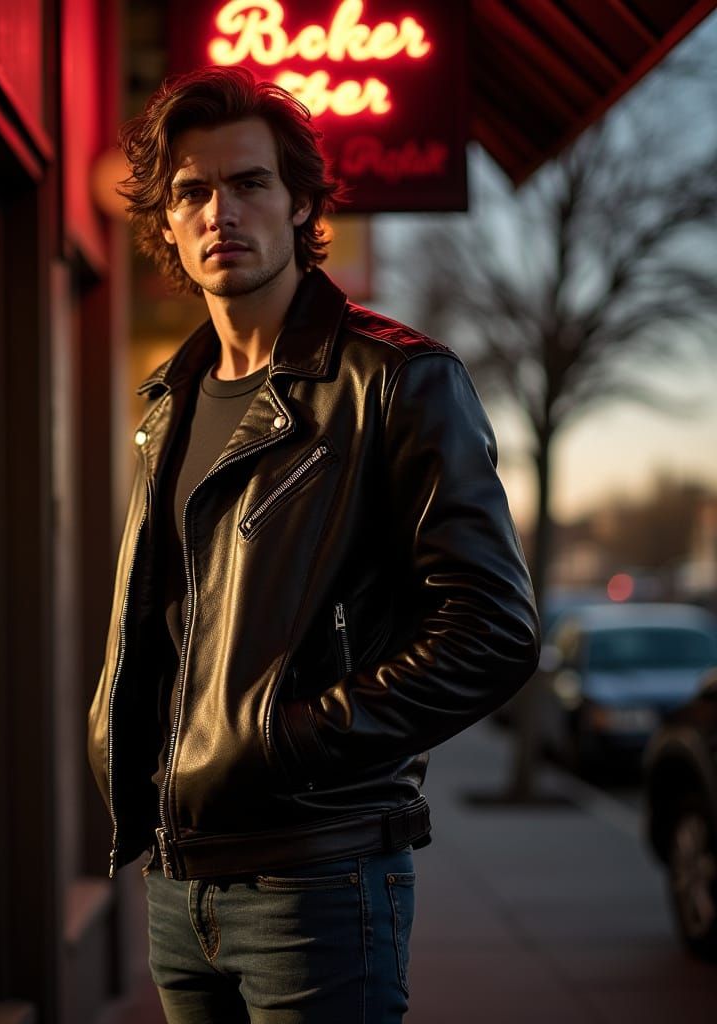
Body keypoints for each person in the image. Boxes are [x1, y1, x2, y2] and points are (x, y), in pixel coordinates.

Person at [87, 66, 540, 1023]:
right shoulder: (169, 402)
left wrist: (288, 743)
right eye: (192, 192)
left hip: (317, 882)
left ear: (300, 203)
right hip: (176, 884)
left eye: (249, 183)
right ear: (166, 223)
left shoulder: (395, 380)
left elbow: (491, 632)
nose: (222, 211)